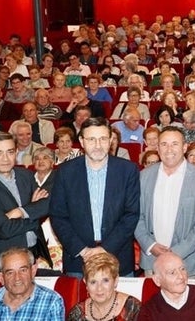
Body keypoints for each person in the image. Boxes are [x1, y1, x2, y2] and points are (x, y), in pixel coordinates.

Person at [50, 117, 140, 277]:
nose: (98, 145)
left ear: (111, 140)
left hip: (118, 257)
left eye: (103, 139)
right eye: (91, 139)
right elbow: (58, 216)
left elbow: (131, 215)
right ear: (81, 141)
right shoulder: (64, 172)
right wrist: (83, 251)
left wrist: (105, 249)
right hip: (78, 260)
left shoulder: (128, 170)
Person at [0, 132, 52, 277]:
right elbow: (5, 229)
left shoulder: (25, 175)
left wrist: (20, 211)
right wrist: (32, 211)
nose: (5, 159)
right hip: (0, 266)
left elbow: (47, 203)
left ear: (16, 153)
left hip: (32, 257)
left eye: (10, 152)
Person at [135, 127, 195, 277]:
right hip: (152, 260)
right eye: (164, 144)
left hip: (186, 263)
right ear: (158, 148)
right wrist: (150, 245)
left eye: (175, 144)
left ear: (184, 147)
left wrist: (178, 252)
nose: (169, 149)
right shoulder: (143, 176)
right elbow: (135, 215)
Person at [0, 247, 65, 320]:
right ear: (1, 277)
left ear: (33, 271)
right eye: (10, 273)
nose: (17, 278)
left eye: (23, 270)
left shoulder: (51, 301)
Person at [138, 252, 195, 320]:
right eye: (172, 272)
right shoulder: (149, 312)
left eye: (182, 269)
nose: (181, 276)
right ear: (157, 280)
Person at [66, 251, 142, 321]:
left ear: (115, 280)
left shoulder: (132, 308)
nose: (99, 288)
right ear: (86, 283)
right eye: (93, 282)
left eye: (105, 281)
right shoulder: (78, 313)